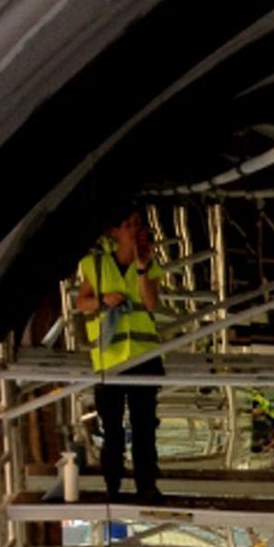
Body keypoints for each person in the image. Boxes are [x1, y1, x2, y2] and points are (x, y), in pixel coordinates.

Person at [76, 209, 164, 500]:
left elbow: (151, 304)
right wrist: (103, 301)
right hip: (110, 358)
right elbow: (82, 303)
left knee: (144, 424)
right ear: (114, 232)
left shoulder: (149, 265)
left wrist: (141, 268)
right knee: (111, 426)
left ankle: (146, 485)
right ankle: (112, 484)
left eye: (136, 224)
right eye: (127, 224)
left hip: (143, 356)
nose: (132, 230)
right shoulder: (96, 265)